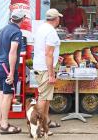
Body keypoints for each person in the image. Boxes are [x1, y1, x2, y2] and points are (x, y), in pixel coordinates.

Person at [0, 10, 25, 134]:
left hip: (0, 65)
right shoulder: (17, 32)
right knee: (7, 96)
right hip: (7, 67)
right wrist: (11, 72)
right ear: (23, 19)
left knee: (2, 94)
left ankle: (0, 122)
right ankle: (4, 126)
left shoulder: (3, 29)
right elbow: (12, 52)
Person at [33, 8, 63, 136]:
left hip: (40, 66)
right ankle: (37, 127)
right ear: (56, 19)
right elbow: (48, 53)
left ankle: (44, 124)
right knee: (43, 98)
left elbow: (46, 51)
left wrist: (57, 58)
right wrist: (51, 74)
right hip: (45, 68)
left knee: (45, 97)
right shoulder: (51, 32)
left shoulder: (42, 28)